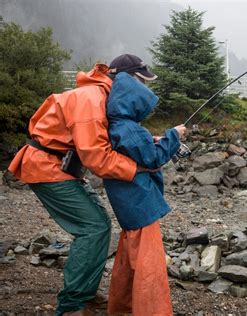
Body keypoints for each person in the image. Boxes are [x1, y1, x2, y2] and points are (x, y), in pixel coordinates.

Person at [7, 55, 163, 316]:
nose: (142, 88)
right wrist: (139, 168)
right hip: (46, 166)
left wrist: (150, 141)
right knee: (94, 228)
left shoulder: (102, 96)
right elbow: (97, 157)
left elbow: (109, 139)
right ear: (124, 79)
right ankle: (72, 306)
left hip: (61, 166)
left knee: (99, 224)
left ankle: (84, 293)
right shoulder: (92, 100)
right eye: (139, 80)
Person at [103, 55, 185, 315]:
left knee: (129, 257)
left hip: (128, 206)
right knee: (150, 263)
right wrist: (174, 135)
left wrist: (154, 139)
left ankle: (122, 306)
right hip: (140, 203)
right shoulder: (129, 128)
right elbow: (154, 158)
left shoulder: (118, 125)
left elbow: (139, 151)